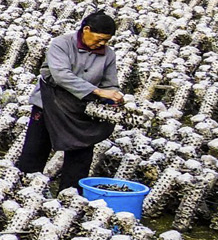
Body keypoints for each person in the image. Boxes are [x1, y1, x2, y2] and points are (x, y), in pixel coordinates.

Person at [16, 11, 134, 192]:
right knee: (36, 149)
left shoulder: (108, 54)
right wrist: (97, 91)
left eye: (106, 40)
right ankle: (23, 189)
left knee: (81, 154)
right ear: (86, 29)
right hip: (50, 103)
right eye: (100, 38)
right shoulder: (61, 44)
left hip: (82, 109)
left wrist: (114, 98)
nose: (102, 43)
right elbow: (61, 75)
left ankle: (69, 196)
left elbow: (110, 84)